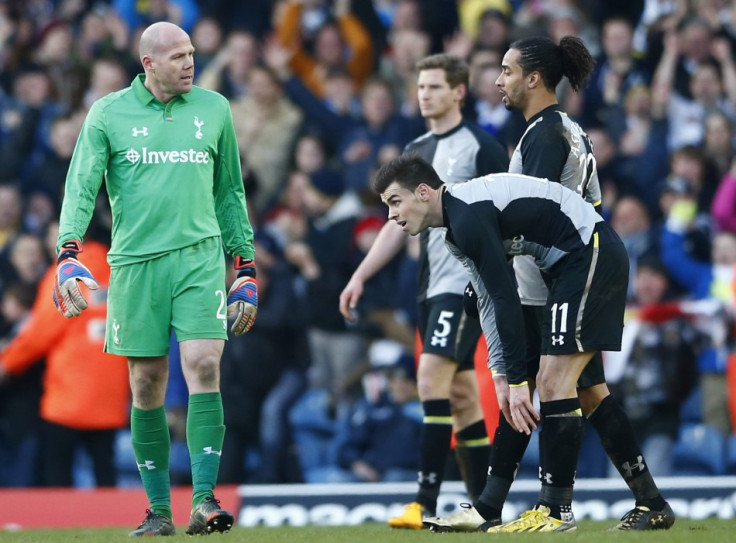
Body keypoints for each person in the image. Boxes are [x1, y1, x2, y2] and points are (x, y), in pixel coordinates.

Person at [425, 36, 673, 533]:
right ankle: (649, 501)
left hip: (559, 275)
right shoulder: (562, 129)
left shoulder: (543, 135)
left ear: (533, 78)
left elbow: (535, 213)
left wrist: (499, 278)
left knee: (539, 384)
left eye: (507, 71)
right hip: (566, 270)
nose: (498, 81)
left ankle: (547, 507)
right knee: (585, 392)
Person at [52, 22, 258, 536]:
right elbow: (81, 184)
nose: (190, 63)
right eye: (178, 56)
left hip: (199, 258)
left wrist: (246, 265)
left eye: (192, 54)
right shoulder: (108, 113)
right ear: (148, 63)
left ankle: (206, 500)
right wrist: (68, 251)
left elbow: (230, 191)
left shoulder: (215, 109)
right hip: (135, 263)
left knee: (204, 363)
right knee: (146, 382)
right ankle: (159, 511)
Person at [374, 154, 632, 533]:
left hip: (588, 254)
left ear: (424, 192)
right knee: (565, 387)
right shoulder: (455, 226)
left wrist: (513, 380)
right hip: (565, 266)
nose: (391, 216)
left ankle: (557, 511)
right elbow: (487, 303)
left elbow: (505, 298)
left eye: (395, 202)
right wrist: (501, 374)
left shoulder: (466, 216)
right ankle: (489, 508)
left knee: (548, 383)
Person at [339, 53, 509, 529]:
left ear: (458, 91)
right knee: (459, 396)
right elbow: (396, 225)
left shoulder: (481, 146)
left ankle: (423, 501)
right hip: (428, 286)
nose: (424, 95)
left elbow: (507, 207)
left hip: (465, 283)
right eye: (420, 87)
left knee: (431, 377)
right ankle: (484, 510)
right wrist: (362, 275)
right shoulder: (415, 149)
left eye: (435, 86)